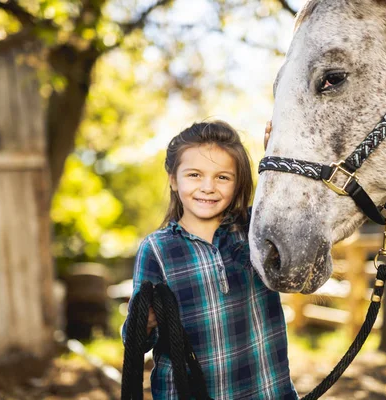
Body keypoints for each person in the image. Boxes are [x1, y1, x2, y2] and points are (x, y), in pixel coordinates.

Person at [123, 120, 298, 400]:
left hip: (268, 391)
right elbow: (135, 340)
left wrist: (279, 154)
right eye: (194, 175)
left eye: (222, 177)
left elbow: (291, 204)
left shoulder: (255, 228)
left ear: (238, 182)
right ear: (172, 178)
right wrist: (144, 323)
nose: (208, 187)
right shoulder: (156, 249)